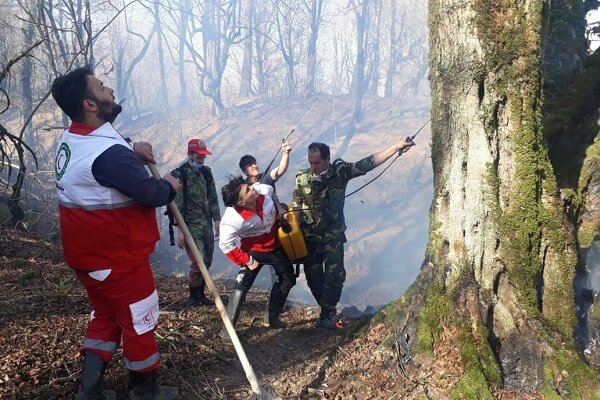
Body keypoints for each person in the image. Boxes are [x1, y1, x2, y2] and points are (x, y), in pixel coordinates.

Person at [51, 66, 181, 400]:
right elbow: (151, 193)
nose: (109, 90)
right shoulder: (107, 155)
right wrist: (169, 186)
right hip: (119, 260)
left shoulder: (74, 138)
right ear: (90, 104)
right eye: (101, 87)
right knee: (140, 323)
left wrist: (131, 149)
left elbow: (108, 158)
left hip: (89, 260)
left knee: (106, 317)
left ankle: (89, 391)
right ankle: (145, 393)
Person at [290, 140, 414, 329]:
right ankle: (327, 310)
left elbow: (368, 163)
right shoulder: (302, 177)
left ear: (327, 159)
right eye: (311, 162)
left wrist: (395, 148)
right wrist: (292, 226)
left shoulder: (340, 172)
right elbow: (296, 203)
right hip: (310, 238)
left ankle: (327, 314)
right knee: (314, 278)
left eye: (317, 163)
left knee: (335, 275)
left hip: (333, 236)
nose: (313, 167)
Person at [218, 176, 296, 343]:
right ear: (240, 203)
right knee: (242, 286)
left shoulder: (264, 190)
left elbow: (273, 193)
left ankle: (272, 317)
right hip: (253, 251)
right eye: (247, 190)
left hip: (274, 245)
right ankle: (228, 331)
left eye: (249, 186)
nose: (253, 189)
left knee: (288, 278)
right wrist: (246, 260)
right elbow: (225, 245)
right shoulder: (232, 219)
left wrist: (279, 208)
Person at [170, 139, 221, 308]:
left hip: (206, 222)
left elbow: (213, 197)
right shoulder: (179, 174)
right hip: (190, 225)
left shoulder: (206, 172)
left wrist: (217, 221)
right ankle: (193, 296)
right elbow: (177, 205)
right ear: (189, 155)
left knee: (207, 261)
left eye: (203, 158)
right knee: (198, 261)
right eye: (198, 158)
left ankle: (201, 295)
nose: (201, 160)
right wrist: (180, 231)